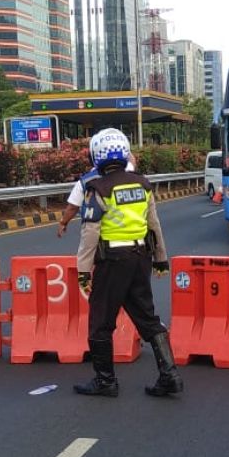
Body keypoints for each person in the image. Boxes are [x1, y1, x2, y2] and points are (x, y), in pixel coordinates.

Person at [73, 128, 182, 398]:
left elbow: (90, 234)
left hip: (112, 262)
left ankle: (105, 381)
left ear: (95, 156)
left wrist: (83, 271)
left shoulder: (97, 188)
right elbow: (153, 226)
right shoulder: (142, 184)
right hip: (140, 259)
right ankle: (170, 375)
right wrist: (160, 259)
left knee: (101, 322)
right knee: (147, 317)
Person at [58, 151, 136, 237]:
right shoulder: (128, 174)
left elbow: (73, 207)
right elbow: (132, 162)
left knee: (87, 249)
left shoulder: (85, 181)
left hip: (100, 232)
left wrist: (63, 222)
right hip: (131, 231)